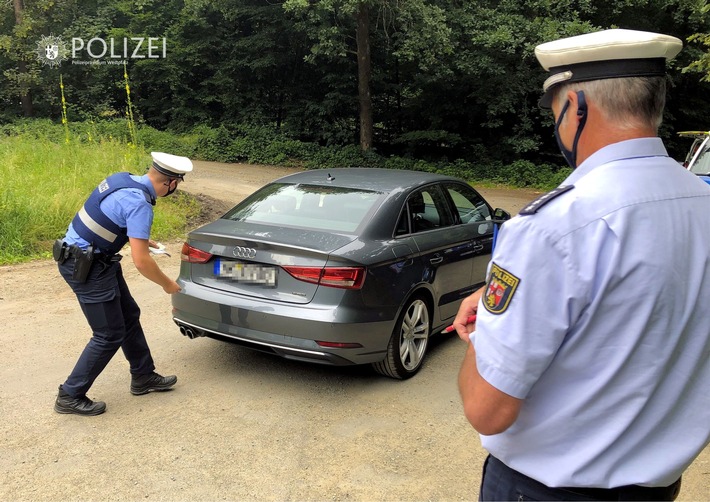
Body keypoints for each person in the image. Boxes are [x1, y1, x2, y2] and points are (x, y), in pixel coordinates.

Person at [454, 29, 710, 501]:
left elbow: (486, 409)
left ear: (576, 107)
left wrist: (488, 322)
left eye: (556, 113)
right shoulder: (700, 201)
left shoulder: (555, 227)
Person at [53, 152, 193, 416]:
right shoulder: (140, 204)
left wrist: (137, 236)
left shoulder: (122, 179)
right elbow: (142, 263)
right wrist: (168, 285)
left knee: (129, 316)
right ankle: (70, 395)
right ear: (170, 183)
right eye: (177, 185)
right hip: (86, 267)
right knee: (108, 334)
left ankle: (143, 376)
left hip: (92, 258)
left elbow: (105, 217)